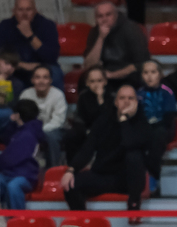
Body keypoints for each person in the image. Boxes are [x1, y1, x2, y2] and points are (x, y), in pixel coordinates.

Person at [62, 83, 152, 212]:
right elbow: (88, 148)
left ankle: (133, 205)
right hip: (103, 174)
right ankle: (83, 221)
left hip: (128, 180)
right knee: (71, 184)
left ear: (136, 103)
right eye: (122, 98)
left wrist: (124, 120)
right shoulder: (103, 121)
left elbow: (129, 143)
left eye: (131, 98)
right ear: (115, 102)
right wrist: (71, 170)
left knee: (134, 155)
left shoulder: (143, 124)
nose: (126, 101)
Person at [0, 0, 63, 87]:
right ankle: (1, 97)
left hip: (41, 67)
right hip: (14, 67)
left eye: (28, 9)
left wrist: (30, 35)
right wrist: (20, 65)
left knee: (55, 74)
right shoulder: (5, 26)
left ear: (35, 11)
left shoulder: (47, 25)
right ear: (14, 11)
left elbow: (51, 57)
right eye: (20, 10)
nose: (24, 14)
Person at [0, 99, 43, 208]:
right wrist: (12, 123)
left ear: (17, 115)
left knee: (13, 186)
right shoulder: (20, 130)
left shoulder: (28, 134)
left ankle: (18, 217)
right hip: (11, 172)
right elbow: (5, 138)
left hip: (27, 175)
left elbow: (10, 159)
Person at [82, 2, 148, 84]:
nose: (104, 19)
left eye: (108, 15)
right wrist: (101, 38)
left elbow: (140, 64)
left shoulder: (131, 29)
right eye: (100, 16)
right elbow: (89, 65)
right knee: (85, 80)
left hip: (128, 77)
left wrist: (112, 75)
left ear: (116, 15)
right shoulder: (94, 32)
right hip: (102, 78)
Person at [63, 68, 113, 160]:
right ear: (87, 83)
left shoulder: (111, 97)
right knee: (71, 135)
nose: (96, 84)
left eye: (99, 80)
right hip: (87, 127)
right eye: (92, 81)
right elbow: (87, 117)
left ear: (105, 82)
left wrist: (100, 99)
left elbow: (107, 118)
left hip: (107, 129)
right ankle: (72, 165)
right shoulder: (83, 96)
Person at [19, 63, 67, 157]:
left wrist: (39, 131)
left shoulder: (58, 95)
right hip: (30, 130)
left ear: (50, 80)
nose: (41, 81)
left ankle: (53, 165)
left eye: (45, 77)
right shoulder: (26, 94)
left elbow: (58, 121)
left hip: (53, 130)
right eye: (37, 77)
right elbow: (22, 119)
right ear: (32, 80)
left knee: (51, 136)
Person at [136, 60, 177, 153]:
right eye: (146, 72)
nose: (149, 76)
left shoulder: (167, 92)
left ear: (159, 74)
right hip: (144, 128)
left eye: (153, 72)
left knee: (158, 134)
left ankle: (153, 162)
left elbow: (169, 118)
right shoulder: (138, 93)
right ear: (142, 75)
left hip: (162, 128)